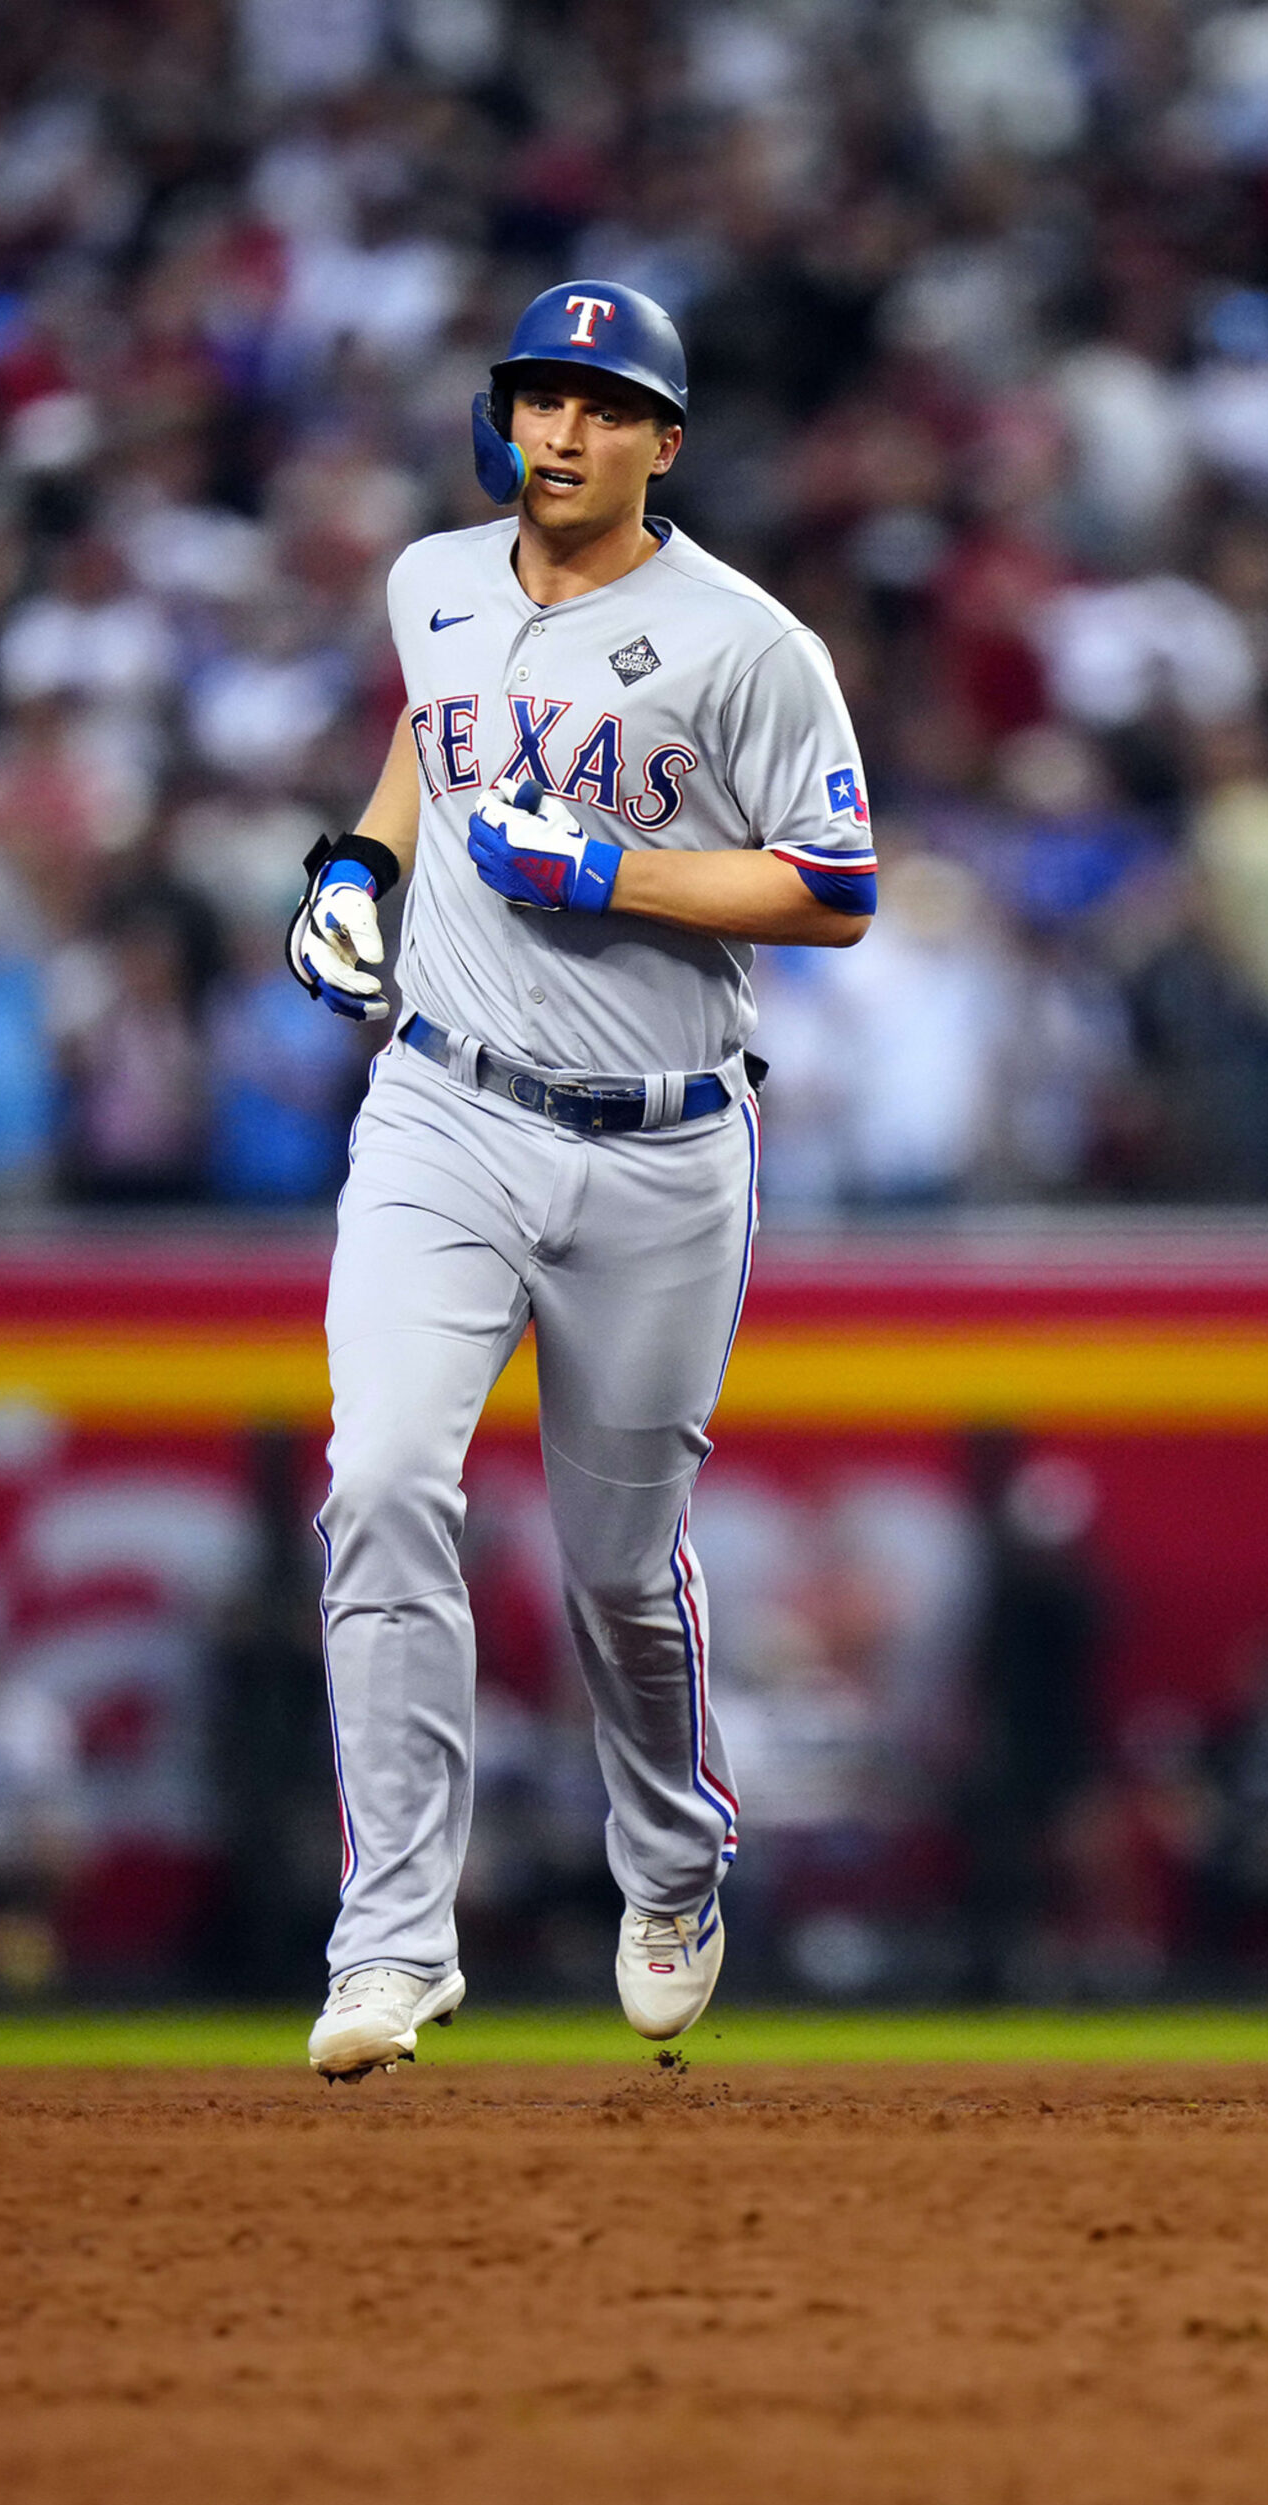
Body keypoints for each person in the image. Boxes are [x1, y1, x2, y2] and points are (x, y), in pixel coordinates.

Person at [288, 281, 875, 2080]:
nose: (561, 431)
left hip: (666, 1141)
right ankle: (393, 1941)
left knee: (621, 1574)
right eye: (538, 397)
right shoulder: (434, 581)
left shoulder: (750, 643)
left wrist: (611, 874)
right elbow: (434, 727)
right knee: (383, 1477)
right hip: (444, 1105)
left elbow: (835, 886)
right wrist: (357, 865)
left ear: (663, 442)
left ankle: (674, 1862)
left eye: (602, 407)